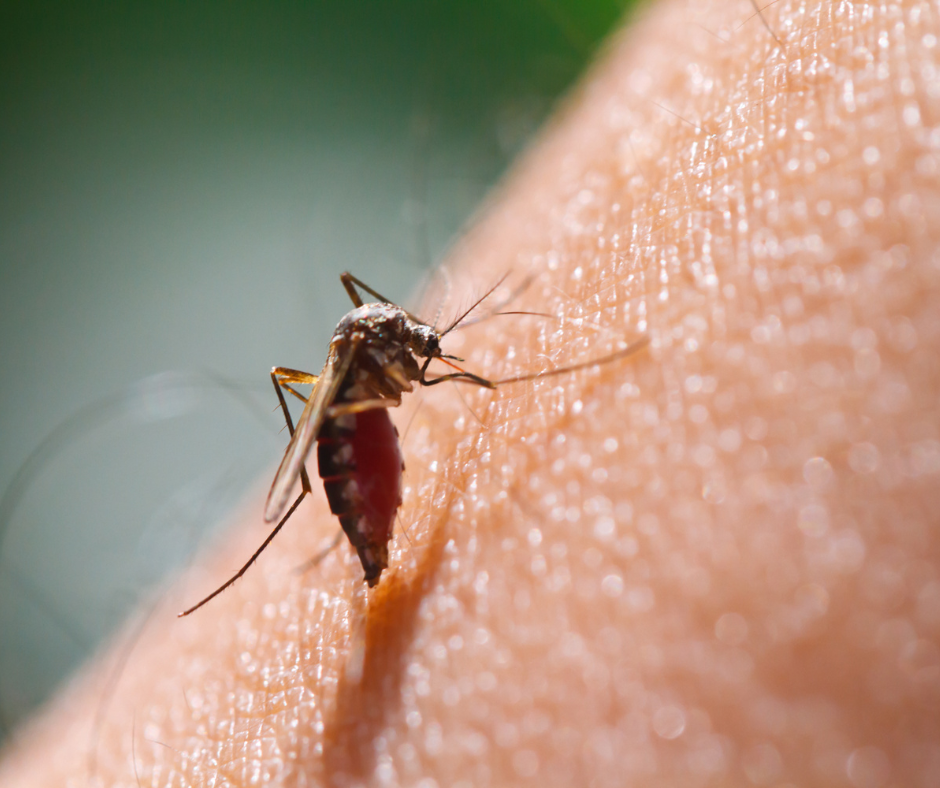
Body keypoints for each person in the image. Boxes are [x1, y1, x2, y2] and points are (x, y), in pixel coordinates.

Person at [2, 0, 938, 784]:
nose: (426, 357)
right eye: (418, 348)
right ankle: (319, 533)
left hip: (350, 404)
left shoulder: (384, 338)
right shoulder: (366, 364)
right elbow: (357, 374)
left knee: (351, 372)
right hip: (340, 436)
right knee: (334, 399)